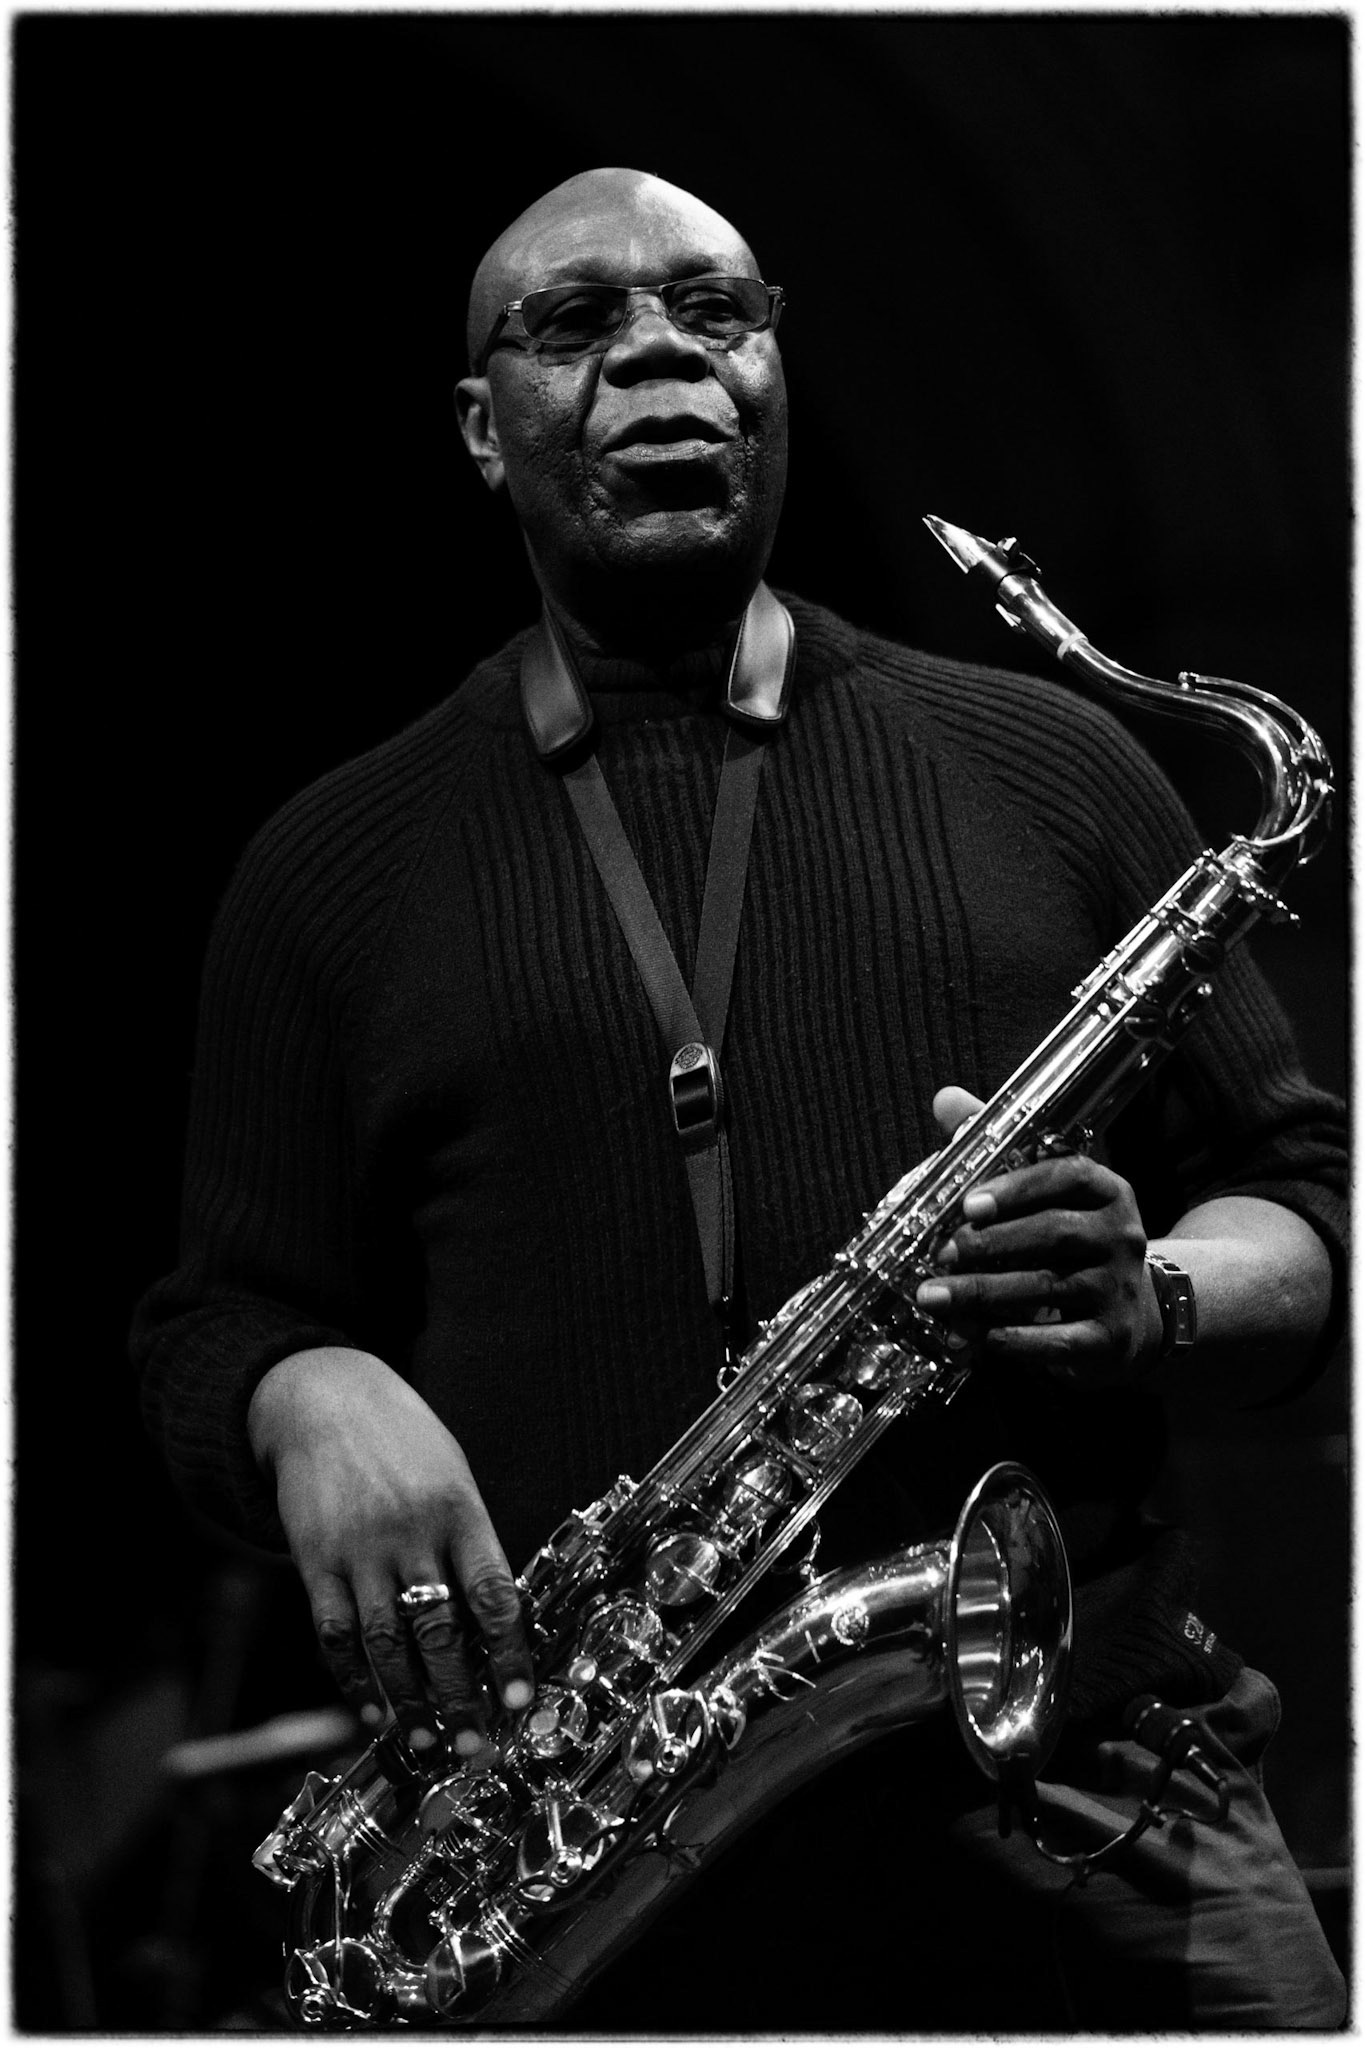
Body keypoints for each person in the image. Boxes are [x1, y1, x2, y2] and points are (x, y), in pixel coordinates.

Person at [132, 168, 1347, 2029]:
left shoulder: (1053, 764)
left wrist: (1157, 1290)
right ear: (482, 428)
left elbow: (1305, 1205)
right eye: (576, 323)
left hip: (1083, 1787)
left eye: (716, 311)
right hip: (574, 1855)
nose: (658, 356)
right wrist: (307, 1397)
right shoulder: (329, 868)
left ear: (774, 366)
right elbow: (214, 1317)